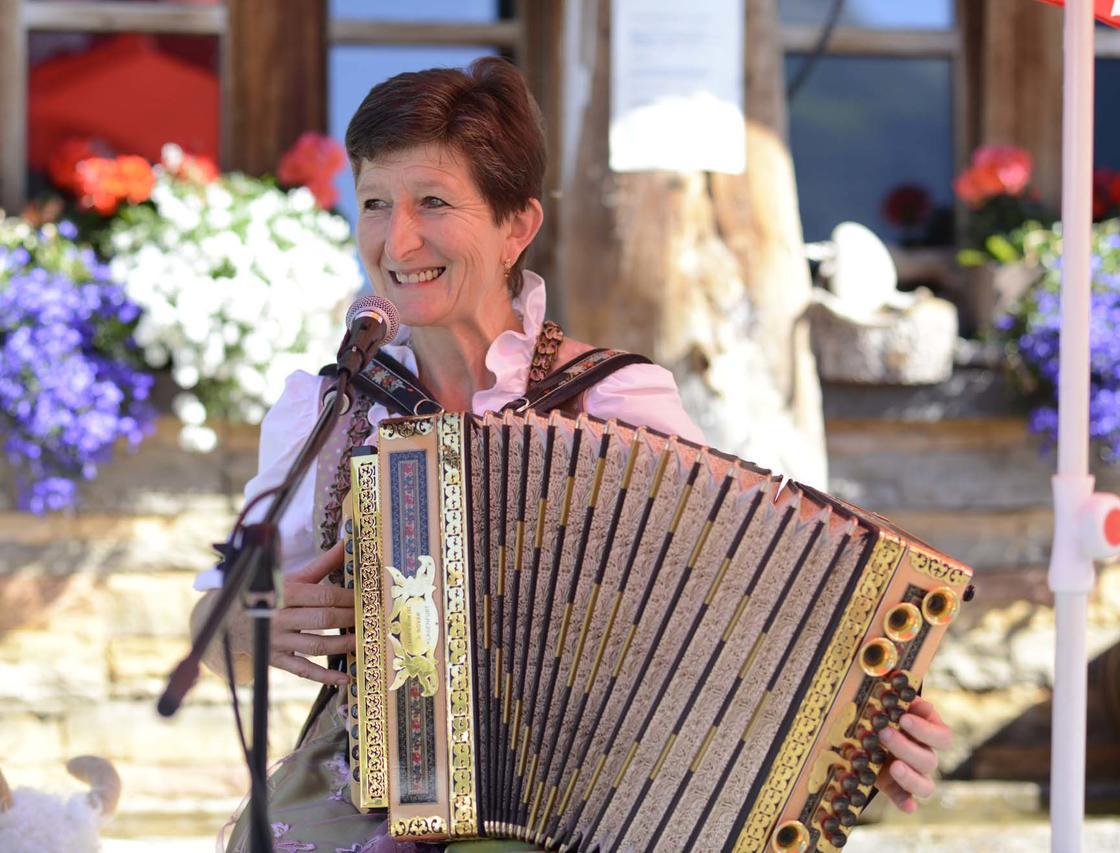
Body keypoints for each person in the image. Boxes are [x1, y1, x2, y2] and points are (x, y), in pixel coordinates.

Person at [192, 57, 951, 853]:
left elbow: (741, 612)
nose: (397, 238)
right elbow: (220, 610)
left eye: (433, 203)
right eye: (375, 203)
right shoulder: (329, 409)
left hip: (594, 812)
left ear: (517, 225)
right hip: (369, 802)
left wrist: (864, 734)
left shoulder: (615, 401)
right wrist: (238, 634)